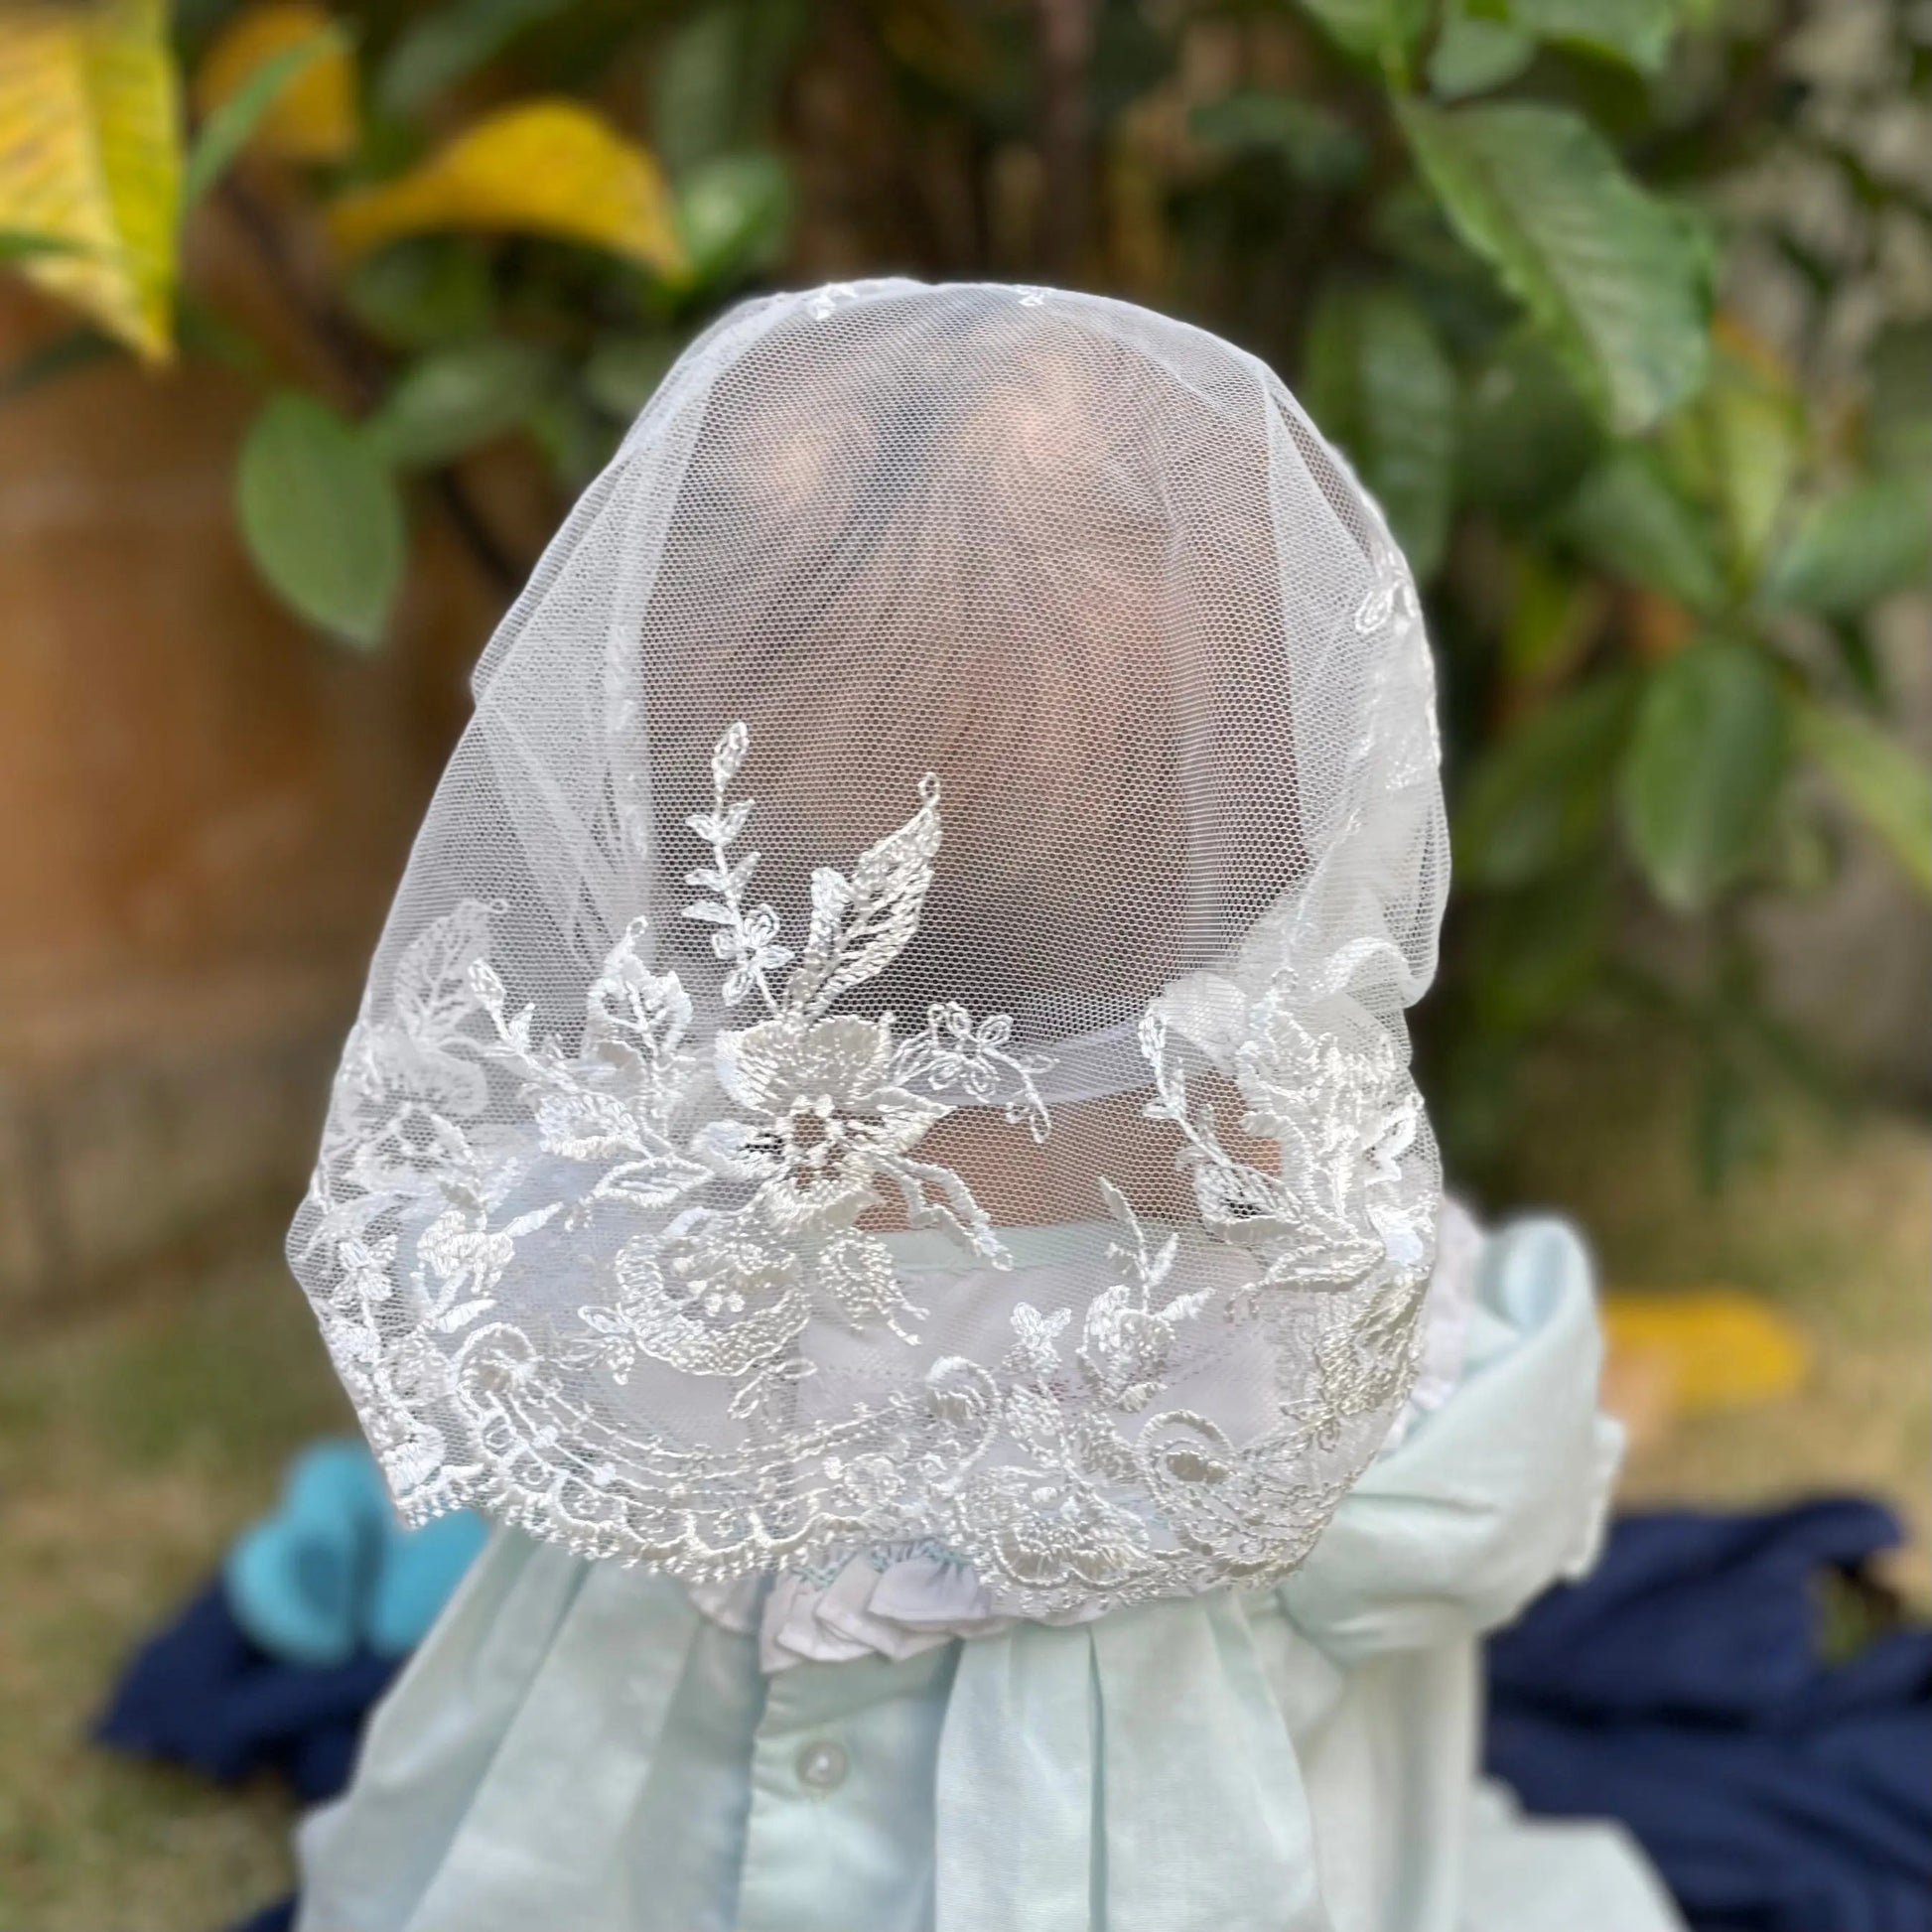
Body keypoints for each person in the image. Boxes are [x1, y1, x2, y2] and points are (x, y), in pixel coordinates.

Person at [285, 280, 1681, 1932]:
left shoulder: (644, 1185)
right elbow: (1451, 1508)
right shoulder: (1282, 1228)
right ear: (1265, 832)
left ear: (678, 838)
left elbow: (521, 1379)